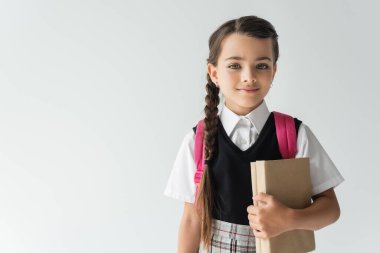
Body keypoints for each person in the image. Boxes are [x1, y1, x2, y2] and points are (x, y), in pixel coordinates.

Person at [163, 15, 344, 253]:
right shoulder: (197, 140)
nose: (249, 76)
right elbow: (190, 220)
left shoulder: (294, 135)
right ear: (214, 73)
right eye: (234, 65)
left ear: (274, 71)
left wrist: (289, 219)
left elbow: (331, 209)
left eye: (261, 65)